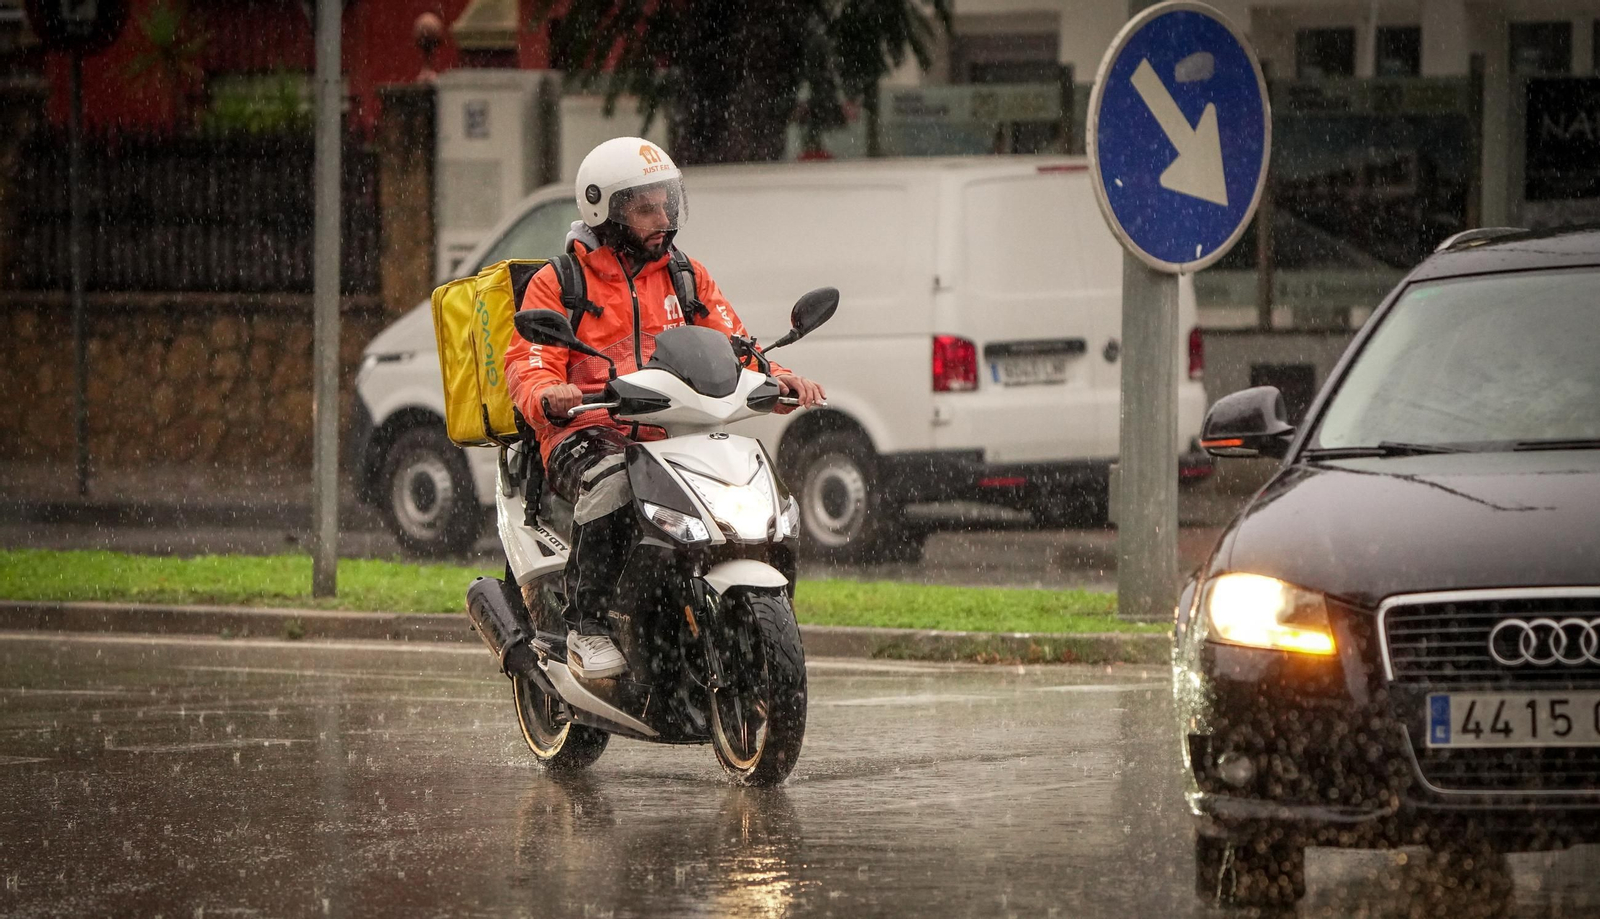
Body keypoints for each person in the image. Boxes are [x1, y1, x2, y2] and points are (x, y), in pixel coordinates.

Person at [504, 137, 825, 680]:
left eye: (667, 203)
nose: (663, 218)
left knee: (748, 474)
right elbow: (528, 362)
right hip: (587, 429)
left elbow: (734, 342)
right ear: (604, 208)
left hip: (672, 429)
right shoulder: (561, 282)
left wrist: (774, 377)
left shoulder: (686, 275)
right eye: (645, 207)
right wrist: (546, 393)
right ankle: (587, 627)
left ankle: (739, 612)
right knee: (612, 480)